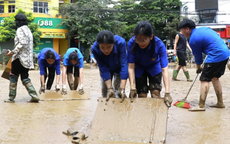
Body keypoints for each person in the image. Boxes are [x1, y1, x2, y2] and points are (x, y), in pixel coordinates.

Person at [178, 19, 229, 111]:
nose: (181, 33)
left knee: (204, 79)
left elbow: (198, 58)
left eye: (182, 30)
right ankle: (220, 103)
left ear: (187, 29)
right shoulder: (204, 29)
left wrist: (198, 67)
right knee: (215, 78)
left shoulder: (193, 39)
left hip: (215, 55)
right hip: (225, 54)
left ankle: (201, 105)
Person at [127, 21, 172, 107]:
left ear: (151, 37)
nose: (140, 43)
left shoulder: (159, 45)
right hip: (139, 68)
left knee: (155, 93)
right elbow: (131, 67)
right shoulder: (131, 43)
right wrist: (132, 87)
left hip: (154, 67)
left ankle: (155, 117)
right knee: (141, 95)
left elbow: (164, 69)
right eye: (138, 39)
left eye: (143, 40)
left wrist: (167, 92)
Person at [5, 13, 39, 102]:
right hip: (27, 60)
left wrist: (12, 52)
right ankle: (34, 95)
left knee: (13, 75)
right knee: (25, 77)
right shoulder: (28, 30)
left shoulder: (20, 29)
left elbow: (22, 43)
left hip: (19, 58)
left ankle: (11, 98)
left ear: (18, 21)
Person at [91, 30, 128, 102]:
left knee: (118, 91)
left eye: (109, 47)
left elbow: (124, 65)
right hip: (106, 68)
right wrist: (110, 88)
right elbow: (102, 68)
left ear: (113, 44)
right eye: (102, 47)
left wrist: (122, 88)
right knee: (106, 93)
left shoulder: (121, 43)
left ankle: (118, 109)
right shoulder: (94, 49)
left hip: (119, 68)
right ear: (99, 45)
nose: (106, 50)